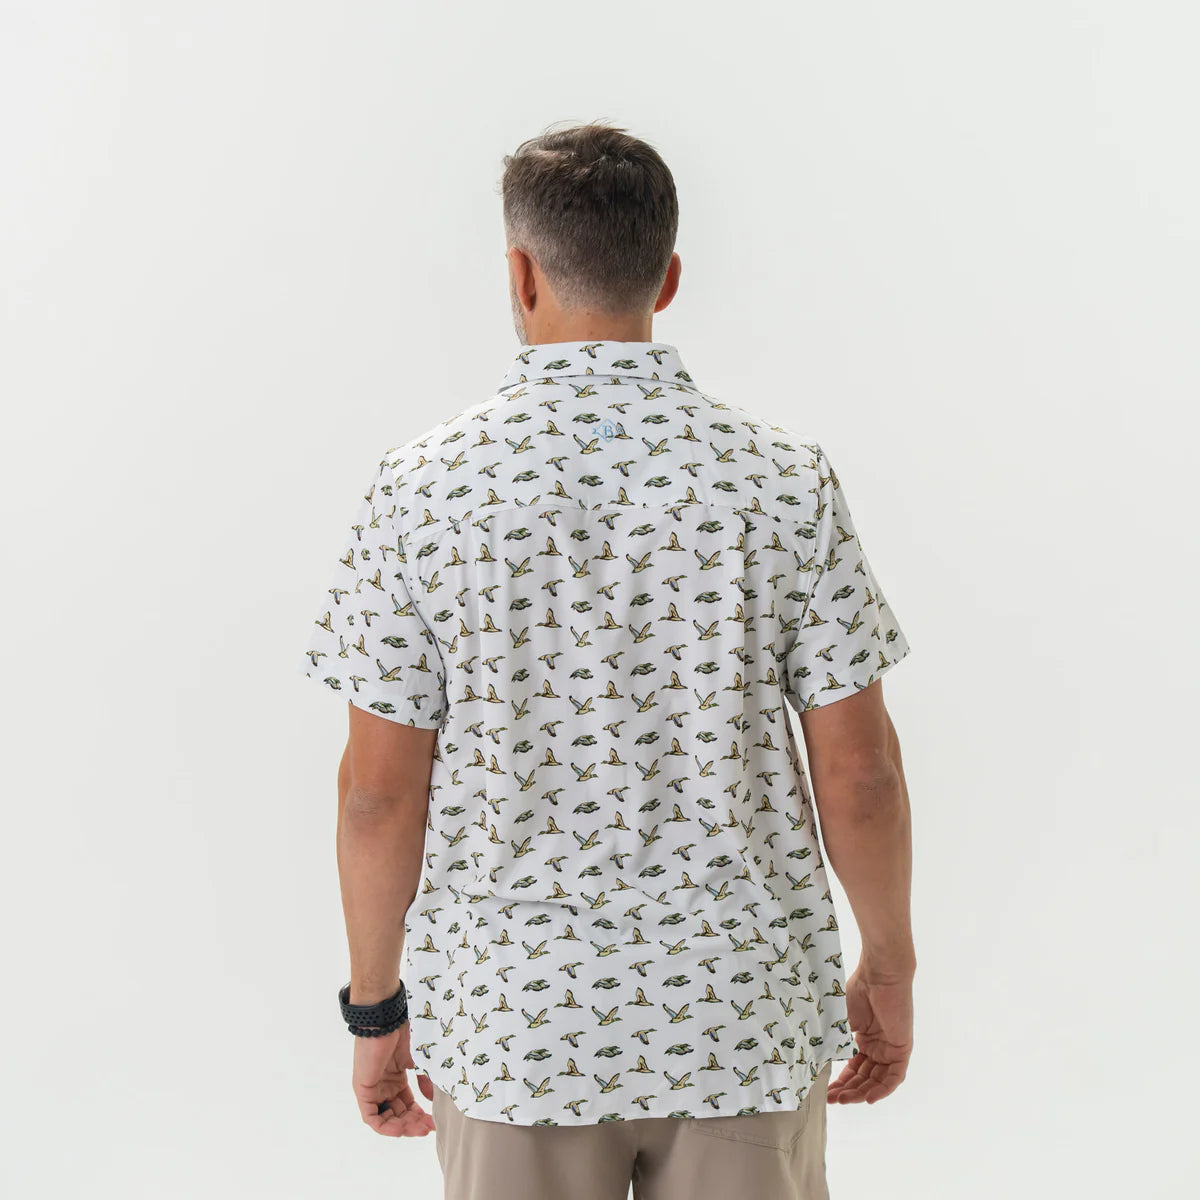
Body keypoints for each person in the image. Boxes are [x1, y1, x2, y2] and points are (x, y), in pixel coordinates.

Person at [300, 120, 916, 1200]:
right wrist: (890, 967)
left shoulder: (422, 491)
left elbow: (376, 798)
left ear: (520, 274)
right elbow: (860, 774)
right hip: (737, 1018)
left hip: (517, 1027)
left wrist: (376, 1010)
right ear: (667, 277)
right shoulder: (785, 481)